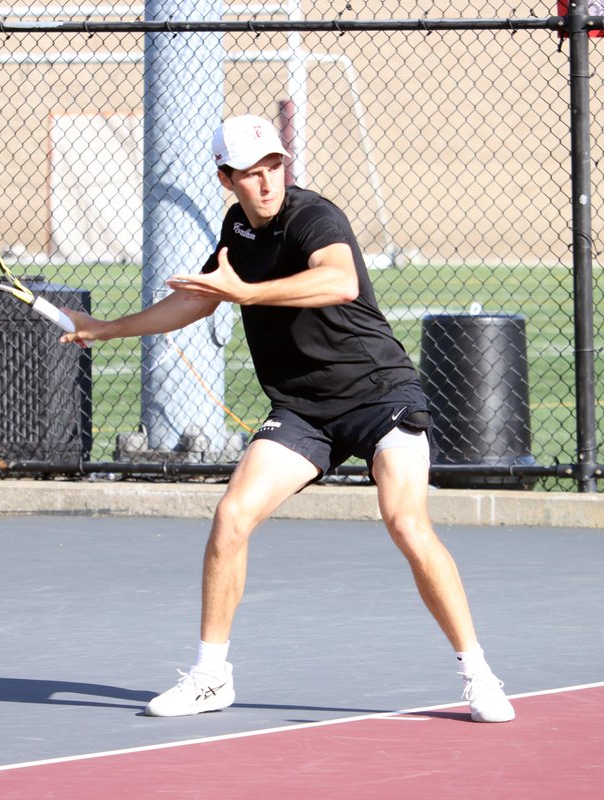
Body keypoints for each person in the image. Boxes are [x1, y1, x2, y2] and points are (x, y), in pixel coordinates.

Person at [60, 114, 515, 723]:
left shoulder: (312, 215)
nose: (267, 182)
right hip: (303, 408)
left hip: (380, 394)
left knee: (406, 521)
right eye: (250, 173)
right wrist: (108, 329)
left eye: (274, 166)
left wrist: (246, 294)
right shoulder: (236, 231)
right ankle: (210, 677)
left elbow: (340, 280)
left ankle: (479, 675)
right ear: (227, 179)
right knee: (232, 515)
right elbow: (199, 296)